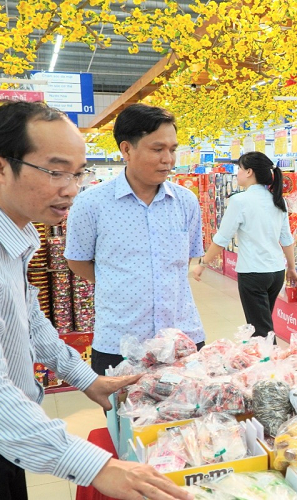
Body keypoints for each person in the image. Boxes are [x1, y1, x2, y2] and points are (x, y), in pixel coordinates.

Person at [0, 100, 191, 500]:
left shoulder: (9, 235)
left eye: (78, 173)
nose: (71, 188)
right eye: (56, 171)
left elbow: (29, 320)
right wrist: (96, 465)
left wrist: (88, 380)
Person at [66, 104, 206, 376]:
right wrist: (117, 280)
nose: (169, 159)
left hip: (181, 337)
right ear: (126, 149)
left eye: (173, 149)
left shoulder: (186, 202)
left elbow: (187, 258)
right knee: (124, 416)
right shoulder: (91, 204)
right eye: (158, 149)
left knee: (187, 416)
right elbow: (77, 259)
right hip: (119, 341)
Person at [192, 152, 297, 337]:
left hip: (253, 273)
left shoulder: (240, 200)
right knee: (263, 324)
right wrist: (291, 268)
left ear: (249, 172)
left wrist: (202, 264)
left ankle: (269, 364)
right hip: (275, 272)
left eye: (239, 169)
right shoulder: (277, 200)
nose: (237, 173)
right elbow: (287, 239)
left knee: (260, 330)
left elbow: (222, 238)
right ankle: (263, 361)